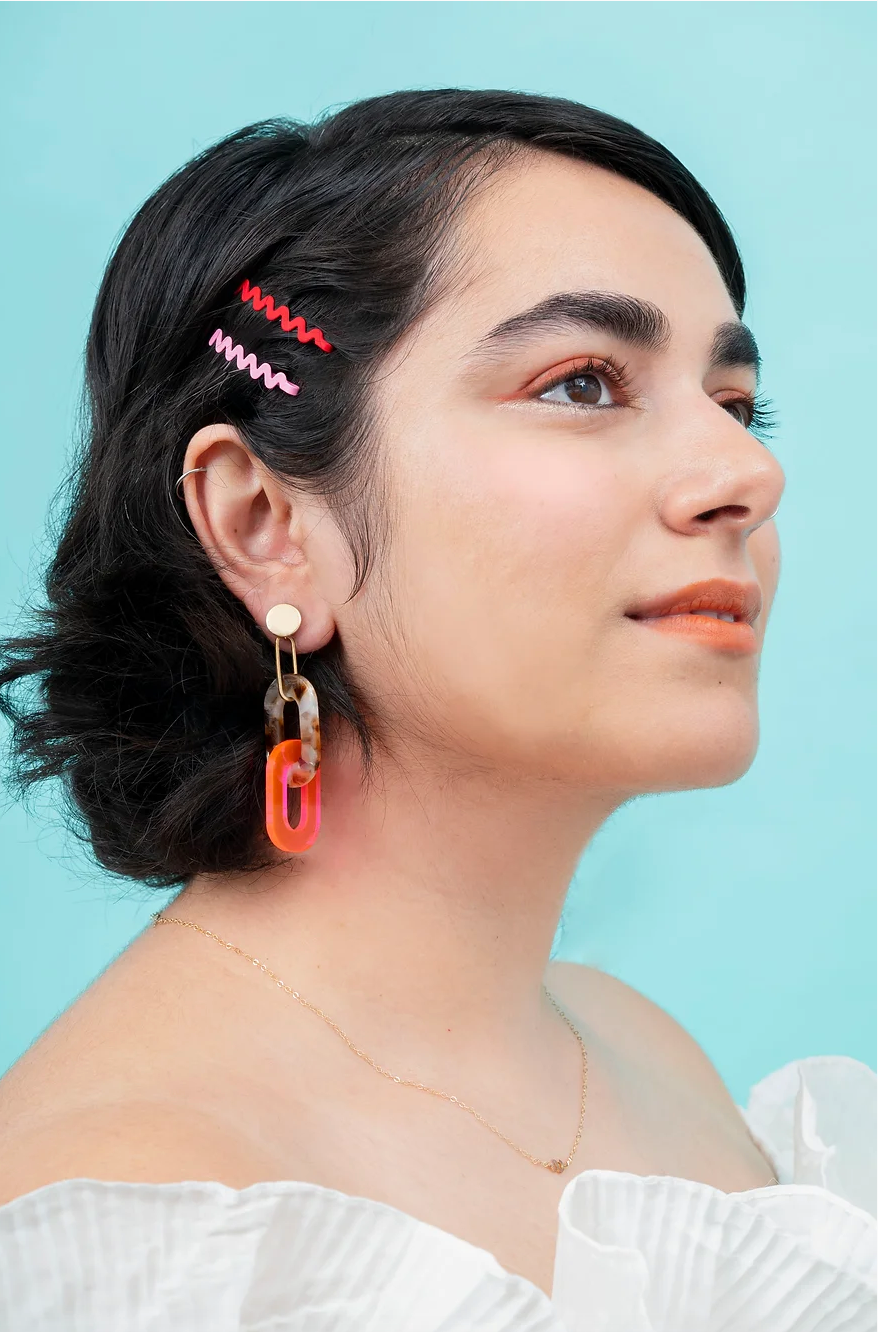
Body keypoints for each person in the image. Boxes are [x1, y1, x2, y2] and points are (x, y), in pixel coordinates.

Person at [0, 88, 873, 1330]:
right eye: (580, 384)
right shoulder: (144, 1234)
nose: (746, 474)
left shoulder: (635, 1054)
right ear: (264, 524)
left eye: (733, 404)